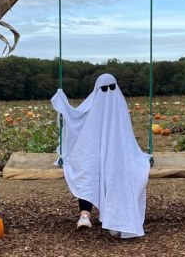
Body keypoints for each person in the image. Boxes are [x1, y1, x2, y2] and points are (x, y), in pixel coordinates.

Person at [51, 73, 150, 238]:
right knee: (87, 170)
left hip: (117, 155)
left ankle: (114, 218)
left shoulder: (119, 106)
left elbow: (125, 136)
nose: (108, 92)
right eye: (104, 89)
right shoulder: (93, 105)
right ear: (98, 90)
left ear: (116, 88)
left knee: (119, 173)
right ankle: (85, 214)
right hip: (92, 153)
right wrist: (63, 105)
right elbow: (75, 118)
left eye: (111, 88)